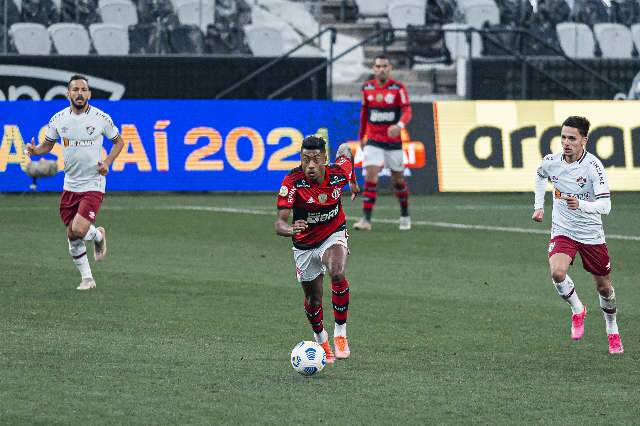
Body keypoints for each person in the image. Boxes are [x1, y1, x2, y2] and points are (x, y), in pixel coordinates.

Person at [532, 116, 623, 354]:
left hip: (591, 233)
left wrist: (581, 205)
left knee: (604, 288)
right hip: (563, 229)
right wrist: (538, 206)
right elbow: (540, 175)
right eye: (563, 137)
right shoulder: (552, 161)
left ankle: (612, 329)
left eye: (572, 138)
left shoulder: (593, 167)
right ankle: (577, 310)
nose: (566, 142)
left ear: (584, 140)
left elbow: (606, 206)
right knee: (557, 272)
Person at [25, 75, 124, 291]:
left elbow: (119, 141)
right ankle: (88, 276)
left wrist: (107, 161)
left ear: (89, 93)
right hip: (70, 184)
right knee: (71, 234)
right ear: (68, 93)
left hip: (94, 183)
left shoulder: (101, 118)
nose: (80, 93)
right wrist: (35, 150)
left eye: (84, 90)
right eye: (75, 90)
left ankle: (93, 236)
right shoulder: (59, 119)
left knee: (78, 229)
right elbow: (47, 146)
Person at [275, 136, 360, 362]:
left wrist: (353, 179)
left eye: (315, 159)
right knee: (313, 299)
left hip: (333, 234)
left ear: (325, 158)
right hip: (303, 244)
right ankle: (320, 337)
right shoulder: (292, 182)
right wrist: (291, 228)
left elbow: (346, 149)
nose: (310, 165)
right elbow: (279, 224)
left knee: (338, 271)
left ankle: (340, 333)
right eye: (305, 160)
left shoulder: (338, 173)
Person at [354, 55, 413, 231]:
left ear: (390, 68)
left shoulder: (398, 89)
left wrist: (399, 125)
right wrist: (362, 136)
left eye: (384, 66)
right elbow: (365, 114)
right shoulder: (367, 88)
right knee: (370, 176)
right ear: (373, 68)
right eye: (378, 66)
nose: (381, 69)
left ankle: (404, 214)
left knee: (398, 180)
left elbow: (407, 110)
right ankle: (366, 219)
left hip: (393, 142)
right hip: (373, 139)